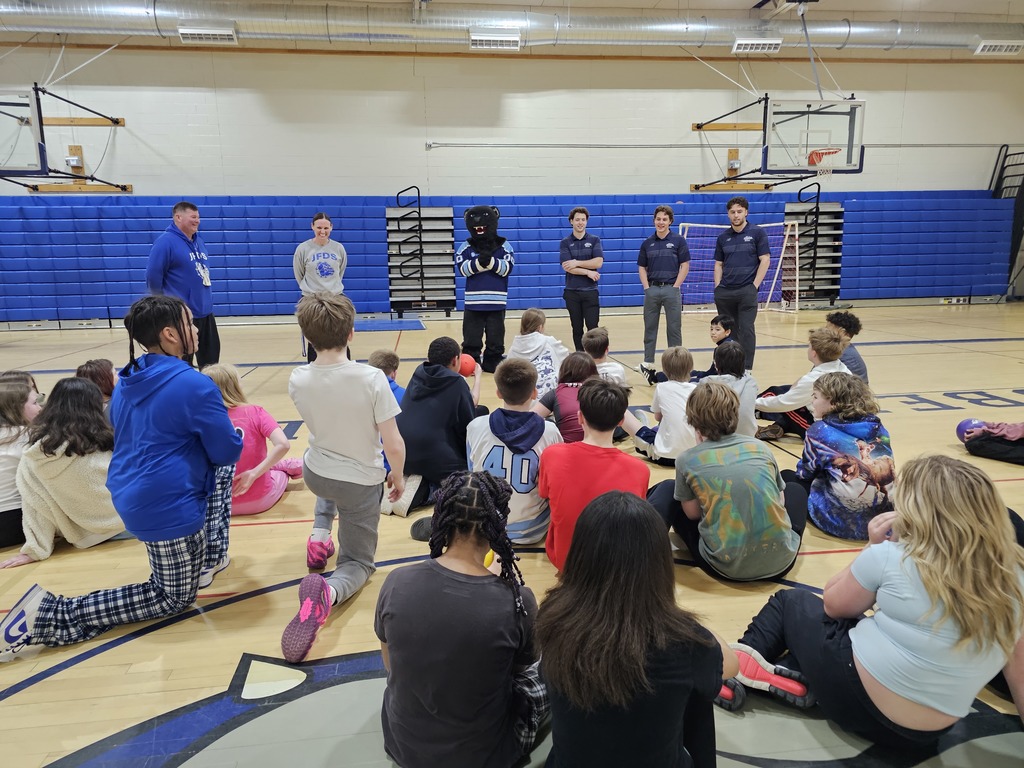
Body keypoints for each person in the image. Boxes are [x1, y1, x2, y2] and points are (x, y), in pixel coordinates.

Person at [0, 295, 243, 662]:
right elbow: (225, 452)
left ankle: (208, 557)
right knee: (172, 598)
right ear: (169, 334)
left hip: (136, 493)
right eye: (189, 323)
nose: (196, 329)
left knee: (183, 583)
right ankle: (54, 613)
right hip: (166, 504)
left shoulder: (129, 377)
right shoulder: (196, 386)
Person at [724, 455, 1024, 748]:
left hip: (857, 701)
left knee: (790, 602)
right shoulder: (1014, 576)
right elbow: (1018, 665)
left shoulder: (893, 557)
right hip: (928, 735)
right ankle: (789, 672)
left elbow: (833, 605)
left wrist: (871, 547)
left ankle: (735, 669)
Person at [536, 491, 739, 768]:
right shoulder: (685, 641)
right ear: (658, 564)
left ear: (581, 556)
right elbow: (731, 665)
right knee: (699, 697)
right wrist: (682, 618)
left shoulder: (552, 619)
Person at [374, 471, 548, 768]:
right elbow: (516, 674)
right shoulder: (517, 600)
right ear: (498, 526)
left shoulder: (396, 582)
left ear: (440, 518)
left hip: (404, 746)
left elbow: (390, 666)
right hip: (485, 756)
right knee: (551, 667)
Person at [282, 291, 406, 664]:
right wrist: (396, 476)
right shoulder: (371, 378)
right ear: (351, 333)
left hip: (316, 473)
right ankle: (328, 594)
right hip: (358, 482)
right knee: (358, 563)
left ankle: (320, 534)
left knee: (328, 466)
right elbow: (393, 443)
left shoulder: (297, 378)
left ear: (307, 337)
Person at [645, 381, 805, 582]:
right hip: (782, 563)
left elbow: (692, 514)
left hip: (724, 567)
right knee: (795, 489)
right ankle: (781, 541)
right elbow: (780, 501)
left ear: (693, 421)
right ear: (735, 415)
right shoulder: (760, 447)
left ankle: (645, 550)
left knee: (670, 490)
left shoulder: (687, 459)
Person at [1, 378, 125, 568]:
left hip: (84, 537)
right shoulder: (105, 440)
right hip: (127, 523)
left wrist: (36, 549)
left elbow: (35, 504)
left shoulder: (34, 454)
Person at [538, 378, 650, 572]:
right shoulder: (640, 469)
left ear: (580, 417)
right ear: (621, 422)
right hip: (614, 567)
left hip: (565, 562)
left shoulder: (552, 455)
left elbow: (545, 494)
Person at [459, 359, 562, 546]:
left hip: (488, 524)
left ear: (498, 393)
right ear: (534, 393)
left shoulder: (475, 426)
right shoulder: (550, 431)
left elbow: (472, 472)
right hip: (535, 528)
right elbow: (556, 482)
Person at [786, 372, 895, 541]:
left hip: (841, 522)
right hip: (882, 523)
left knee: (787, 480)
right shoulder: (878, 427)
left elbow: (805, 473)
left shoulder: (819, 430)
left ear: (833, 403)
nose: (811, 402)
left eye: (815, 397)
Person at [394, 336, 482, 518]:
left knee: (480, 411)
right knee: (471, 479)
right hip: (431, 458)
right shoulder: (457, 383)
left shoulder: (419, 372)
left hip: (403, 454)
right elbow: (467, 429)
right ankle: (427, 491)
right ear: (455, 360)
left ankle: (417, 478)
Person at [202, 364, 302, 517]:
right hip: (260, 500)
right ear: (235, 386)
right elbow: (283, 444)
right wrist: (254, 473)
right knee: (280, 471)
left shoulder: (200, 419)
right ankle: (284, 466)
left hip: (217, 505)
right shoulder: (255, 412)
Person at [146, 201, 220, 368]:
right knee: (181, 365)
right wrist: (163, 307)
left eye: (198, 217)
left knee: (211, 364)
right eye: (193, 217)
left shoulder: (198, 241)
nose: (197, 221)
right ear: (178, 217)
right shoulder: (165, 242)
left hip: (205, 313)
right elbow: (153, 276)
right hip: (181, 316)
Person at [754, 326, 850, 441]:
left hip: (823, 431)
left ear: (814, 353)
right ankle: (781, 426)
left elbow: (783, 403)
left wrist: (750, 403)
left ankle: (738, 414)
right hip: (841, 423)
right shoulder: (843, 368)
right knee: (780, 391)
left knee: (780, 400)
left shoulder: (815, 379)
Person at [713, 196, 771, 371]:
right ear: (728, 214)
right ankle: (730, 367)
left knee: (746, 330)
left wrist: (754, 286)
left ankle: (746, 369)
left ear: (746, 212)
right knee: (729, 331)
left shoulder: (757, 233)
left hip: (746, 290)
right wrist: (717, 287)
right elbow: (718, 264)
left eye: (739, 211)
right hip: (725, 293)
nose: (736, 215)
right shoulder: (723, 237)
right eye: (732, 212)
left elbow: (765, 259)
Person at [456, 205, 515, 373]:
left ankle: (493, 361)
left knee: (496, 337)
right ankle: (471, 362)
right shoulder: (465, 247)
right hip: (473, 303)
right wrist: (481, 262)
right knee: (471, 337)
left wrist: (488, 262)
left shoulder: (505, 246)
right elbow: (463, 270)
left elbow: (506, 269)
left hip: (497, 303)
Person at [637, 205, 690, 385]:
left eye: (664, 219)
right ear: (654, 221)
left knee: (674, 329)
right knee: (650, 327)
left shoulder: (678, 241)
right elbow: (642, 267)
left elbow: (685, 265)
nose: (661, 222)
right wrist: (646, 287)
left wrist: (676, 286)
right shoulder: (647, 243)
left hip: (671, 289)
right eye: (658, 219)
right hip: (652, 289)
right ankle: (648, 362)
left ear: (670, 221)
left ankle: (675, 368)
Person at [293, 212, 348, 364]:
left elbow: (340, 272)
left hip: (335, 299)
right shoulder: (303, 249)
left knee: (339, 336)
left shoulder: (338, 248)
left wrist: (332, 290)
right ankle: (314, 369)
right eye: (319, 227)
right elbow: (299, 275)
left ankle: (343, 367)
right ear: (312, 227)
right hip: (312, 300)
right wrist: (311, 292)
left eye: (326, 228)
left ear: (331, 227)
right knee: (314, 339)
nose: (322, 231)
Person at [633, 347, 698, 466]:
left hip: (665, 456)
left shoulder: (661, 387)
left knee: (639, 434)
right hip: (693, 457)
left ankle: (644, 426)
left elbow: (658, 417)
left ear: (665, 370)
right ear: (690, 368)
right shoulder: (696, 389)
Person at [0, 378, 43, 549]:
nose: (40, 408)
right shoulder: (27, 435)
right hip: (15, 523)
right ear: (17, 407)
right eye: (35, 403)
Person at [560, 206, 604, 351]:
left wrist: (577, 262)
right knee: (577, 328)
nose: (580, 222)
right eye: (577, 219)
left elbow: (598, 262)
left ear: (586, 222)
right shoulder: (565, 242)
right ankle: (580, 356)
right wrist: (588, 272)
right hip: (572, 292)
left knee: (593, 328)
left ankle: (594, 357)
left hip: (590, 291)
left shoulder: (594, 240)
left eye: (583, 220)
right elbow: (567, 267)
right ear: (571, 221)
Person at [530, 352, 598, 444]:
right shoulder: (600, 391)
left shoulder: (556, 392)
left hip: (568, 449)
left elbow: (528, 419)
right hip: (598, 448)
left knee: (549, 422)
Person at [506, 308, 570, 399]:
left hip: (521, 396)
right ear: (540, 327)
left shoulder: (514, 347)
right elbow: (567, 360)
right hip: (550, 397)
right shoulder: (549, 341)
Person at [703, 340, 758, 437]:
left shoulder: (707, 383)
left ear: (716, 364)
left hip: (717, 440)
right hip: (748, 438)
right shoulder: (751, 382)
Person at [826, 310, 868, 383]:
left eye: (828, 330)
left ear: (843, 333)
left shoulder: (840, 352)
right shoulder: (844, 349)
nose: (823, 332)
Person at [690, 314, 734, 381]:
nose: (713, 332)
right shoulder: (732, 344)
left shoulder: (722, 349)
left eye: (717, 329)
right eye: (711, 329)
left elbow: (714, 374)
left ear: (727, 332)